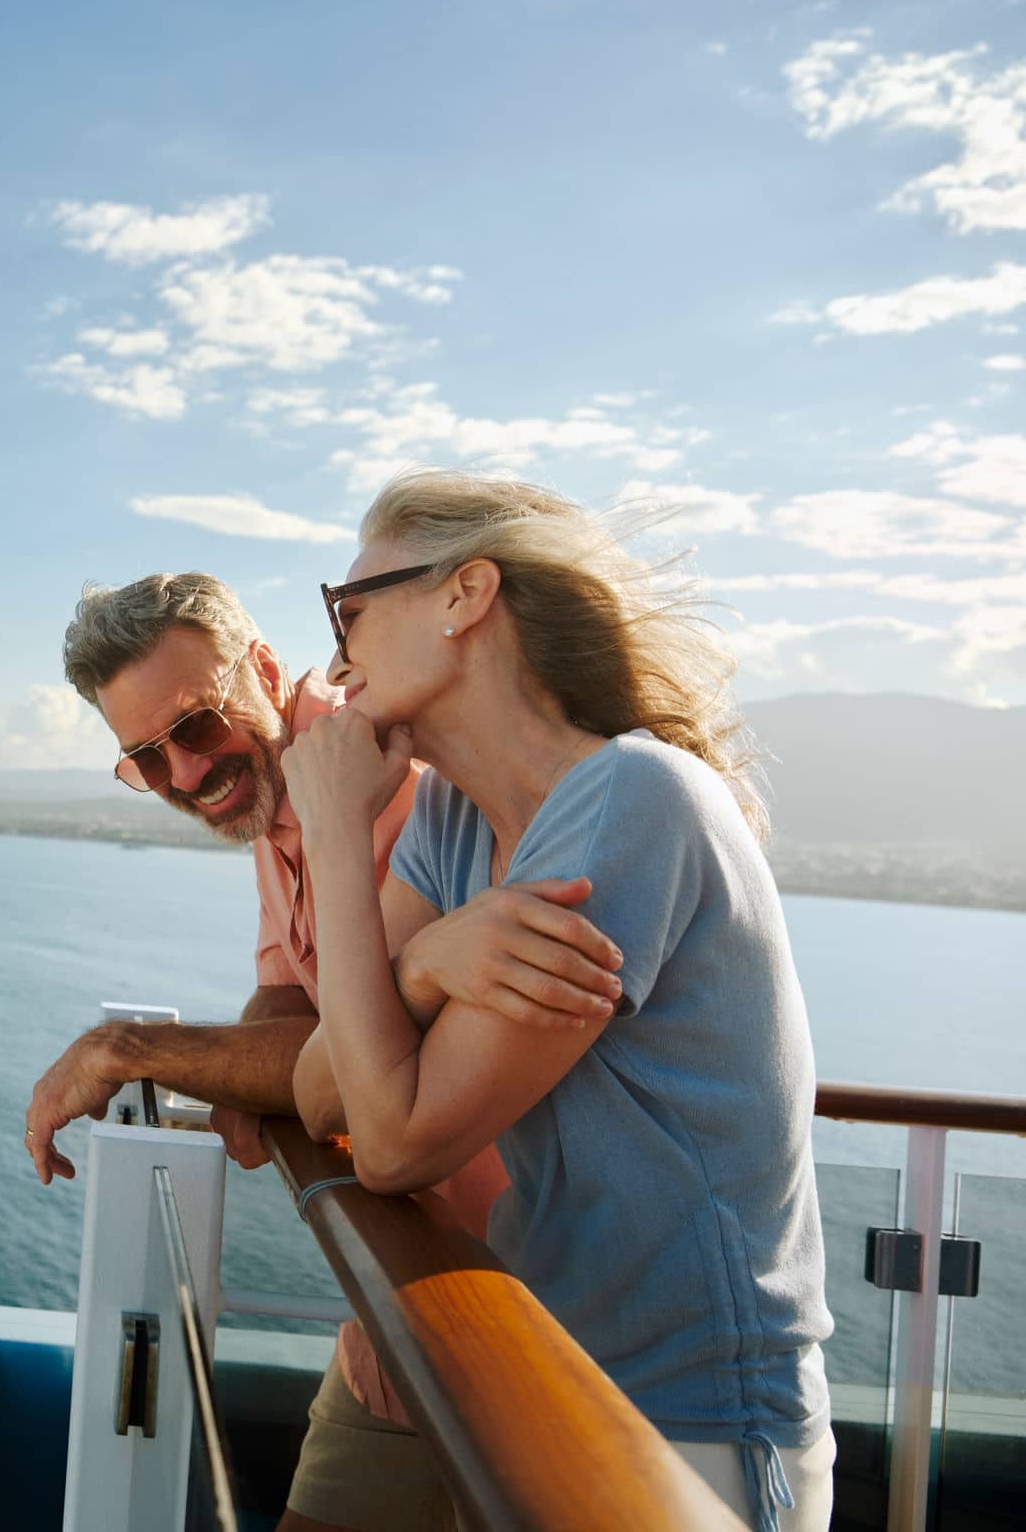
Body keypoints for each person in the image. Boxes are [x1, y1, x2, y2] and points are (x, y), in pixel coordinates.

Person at [283, 470, 835, 1532]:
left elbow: (389, 1144)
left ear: (465, 595)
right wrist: (424, 962)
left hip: (690, 1429)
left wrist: (335, 836)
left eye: (348, 609)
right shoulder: (450, 820)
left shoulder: (633, 798)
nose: (336, 657)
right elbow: (319, 1091)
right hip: (546, 1380)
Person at [24, 572, 624, 1532]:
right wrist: (241, 1075)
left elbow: (341, 1057)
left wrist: (129, 1051)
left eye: (195, 725)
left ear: (263, 668)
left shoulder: (384, 779)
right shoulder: (271, 794)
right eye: (146, 757)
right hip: (402, 1294)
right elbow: (287, 994)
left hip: (534, 1313)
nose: (185, 772)